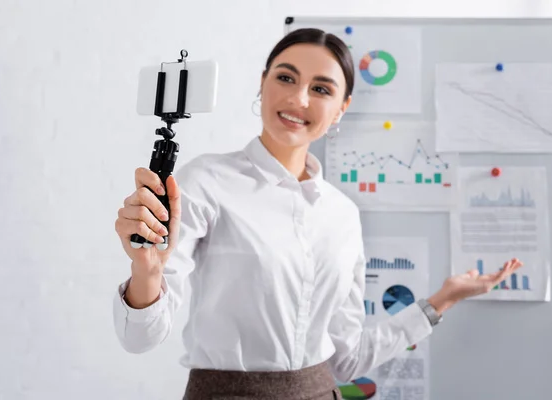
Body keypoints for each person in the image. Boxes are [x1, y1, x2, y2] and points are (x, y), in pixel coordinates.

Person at [113, 28, 523, 400]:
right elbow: (141, 337)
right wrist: (146, 272)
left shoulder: (342, 214)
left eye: (322, 89)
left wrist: (443, 300)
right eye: (286, 78)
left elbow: (347, 360)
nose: (299, 99)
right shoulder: (205, 181)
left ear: (342, 108)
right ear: (263, 82)